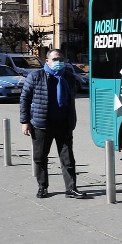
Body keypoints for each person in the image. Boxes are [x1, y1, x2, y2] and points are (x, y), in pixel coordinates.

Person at [20, 49, 85, 199]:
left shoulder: (68, 77)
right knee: (40, 157)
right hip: (42, 124)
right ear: (47, 61)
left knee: (68, 158)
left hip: (63, 124)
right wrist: (25, 121)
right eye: (55, 59)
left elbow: (70, 100)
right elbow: (24, 99)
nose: (59, 62)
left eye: (61, 59)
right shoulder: (35, 76)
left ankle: (71, 188)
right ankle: (42, 186)